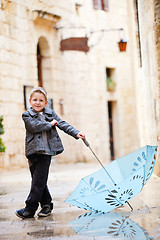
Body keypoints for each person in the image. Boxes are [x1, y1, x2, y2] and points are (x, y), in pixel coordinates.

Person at [15, 87, 85, 219]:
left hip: (45, 153)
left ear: (46, 103)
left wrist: (76, 132)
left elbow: (63, 124)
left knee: (38, 181)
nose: (37, 102)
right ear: (30, 101)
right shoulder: (26, 115)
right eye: (35, 100)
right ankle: (47, 205)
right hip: (32, 152)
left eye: (41, 100)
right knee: (39, 181)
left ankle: (30, 208)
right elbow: (34, 126)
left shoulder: (50, 113)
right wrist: (50, 124)